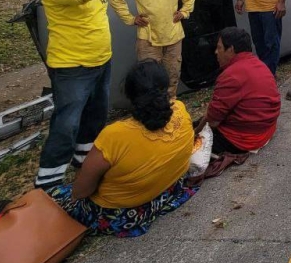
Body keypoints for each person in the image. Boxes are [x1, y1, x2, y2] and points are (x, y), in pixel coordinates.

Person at [48, 60, 197, 238]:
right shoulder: (180, 110)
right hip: (169, 193)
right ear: (166, 88)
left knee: (53, 195)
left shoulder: (114, 136)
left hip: (121, 214)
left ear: (130, 95)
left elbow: (81, 191)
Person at [35, 0, 112, 190]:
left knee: (96, 115)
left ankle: (83, 159)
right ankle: (49, 180)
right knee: (67, 123)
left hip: (101, 60)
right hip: (73, 67)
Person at [109, 0, 195, 100]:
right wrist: (130, 18)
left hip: (173, 36)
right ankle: (150, 108)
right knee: (149, 79)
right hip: (148, 38)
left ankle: (170, 105)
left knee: (172, 75)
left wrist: (184, 12)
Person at [195, 27, 280, 154]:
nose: (216, 52)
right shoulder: (258, 63)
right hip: (267, 129)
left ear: (231, 49)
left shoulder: (231, 75)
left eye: (219, 48)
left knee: (186, 144)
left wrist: (196, 131)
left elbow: (213, 121)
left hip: (245, 139)